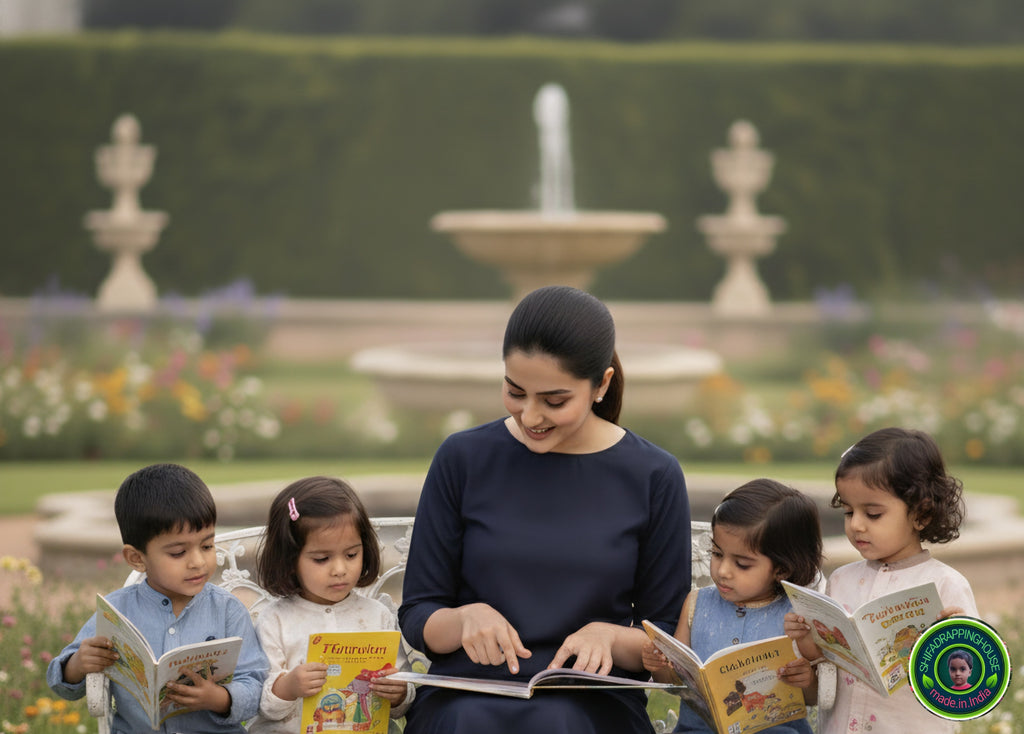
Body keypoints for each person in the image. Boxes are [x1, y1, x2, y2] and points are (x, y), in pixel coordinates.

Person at [398, 285, 692, 734]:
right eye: (515, 392)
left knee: (558, 722)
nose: (531, 416)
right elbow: (419, 611)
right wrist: (463, 619)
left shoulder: (654, 475)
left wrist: (611, 636)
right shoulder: (462, 458)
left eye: (554, 401)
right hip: (465, 692)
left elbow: (666, 638)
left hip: (591, 702)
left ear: (602, 385)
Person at [47, 463, 269, 733]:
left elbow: (255, 684)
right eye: (178, 553)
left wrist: (220, 698)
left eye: (207, 545)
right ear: (136, 558)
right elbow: (60, 683)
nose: (198, 562)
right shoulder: (117, 611)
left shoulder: (227, 610)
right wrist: (77, 664)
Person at [785, 427, 978, 734]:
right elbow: (826, 666)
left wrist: (955, 637)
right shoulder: (841, 579)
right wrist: (805, 638)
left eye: (873, 514)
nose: (856, 525)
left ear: (922, 514)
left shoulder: (945, 584)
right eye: (849, 512)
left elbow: (970, 684)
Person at [642, 479, 823, 733]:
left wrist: (806, 679)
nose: (723, 571)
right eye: (717, 554)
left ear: (781, 569)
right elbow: (676, 684)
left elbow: (813, 697)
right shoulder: (697, 604)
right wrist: (660, 665)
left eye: (742, 564)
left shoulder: (796, 616)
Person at [248, 476, 414, 733]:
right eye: (322, 559)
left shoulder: (377, 615)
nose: (340, 569)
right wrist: (288, 686)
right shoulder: (275, 620)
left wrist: (398, 693)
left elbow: (403, 693)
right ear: (290, 560)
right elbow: (261, 705)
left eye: (351, 554)